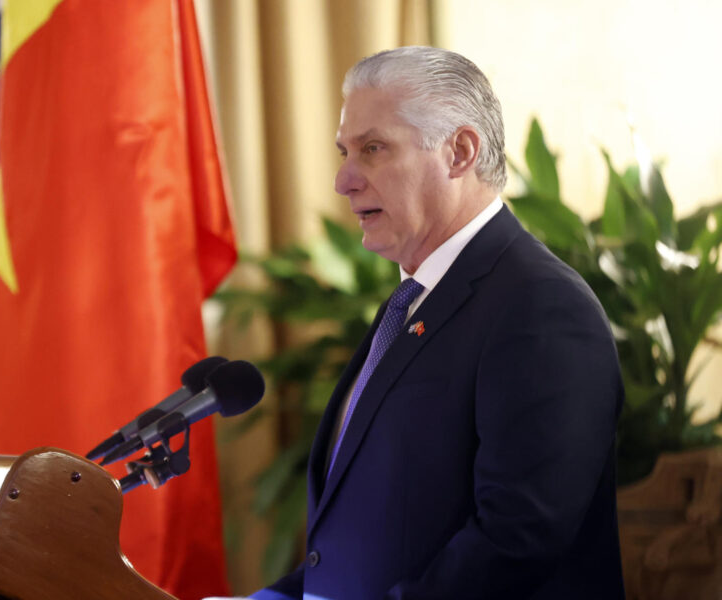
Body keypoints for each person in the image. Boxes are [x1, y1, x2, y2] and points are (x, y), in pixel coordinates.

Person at [231, 47, 625, 599]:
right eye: (345, 151)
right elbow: (367, 535)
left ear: (459, 151)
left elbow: (517, 541)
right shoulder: (413, 300)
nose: (343, 180)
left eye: (373, 149)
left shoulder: (541, 308)